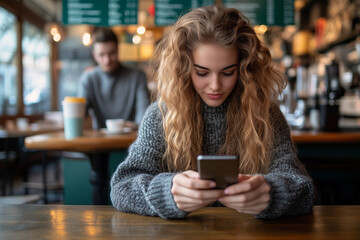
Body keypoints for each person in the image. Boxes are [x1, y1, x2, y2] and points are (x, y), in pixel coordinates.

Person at [110, 5, 314, 219]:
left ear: (244, 68)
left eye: (227, 72)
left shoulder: (266, 115)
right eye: (202, 72)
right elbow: (122, 187)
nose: (215, 85)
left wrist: (272, 193)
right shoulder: (160, 115)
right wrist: (167, 192)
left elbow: (303, 189)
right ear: (184, 68)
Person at [78, 27, 150, 130]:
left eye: (111, 53)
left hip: (130, 141)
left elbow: (144, 116)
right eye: (101, 55)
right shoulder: (88, 79)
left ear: (118, 50)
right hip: (100, 142)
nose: (107, 60)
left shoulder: (137, 77)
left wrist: (137, 125)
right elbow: (79, 114)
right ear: (94, 55)